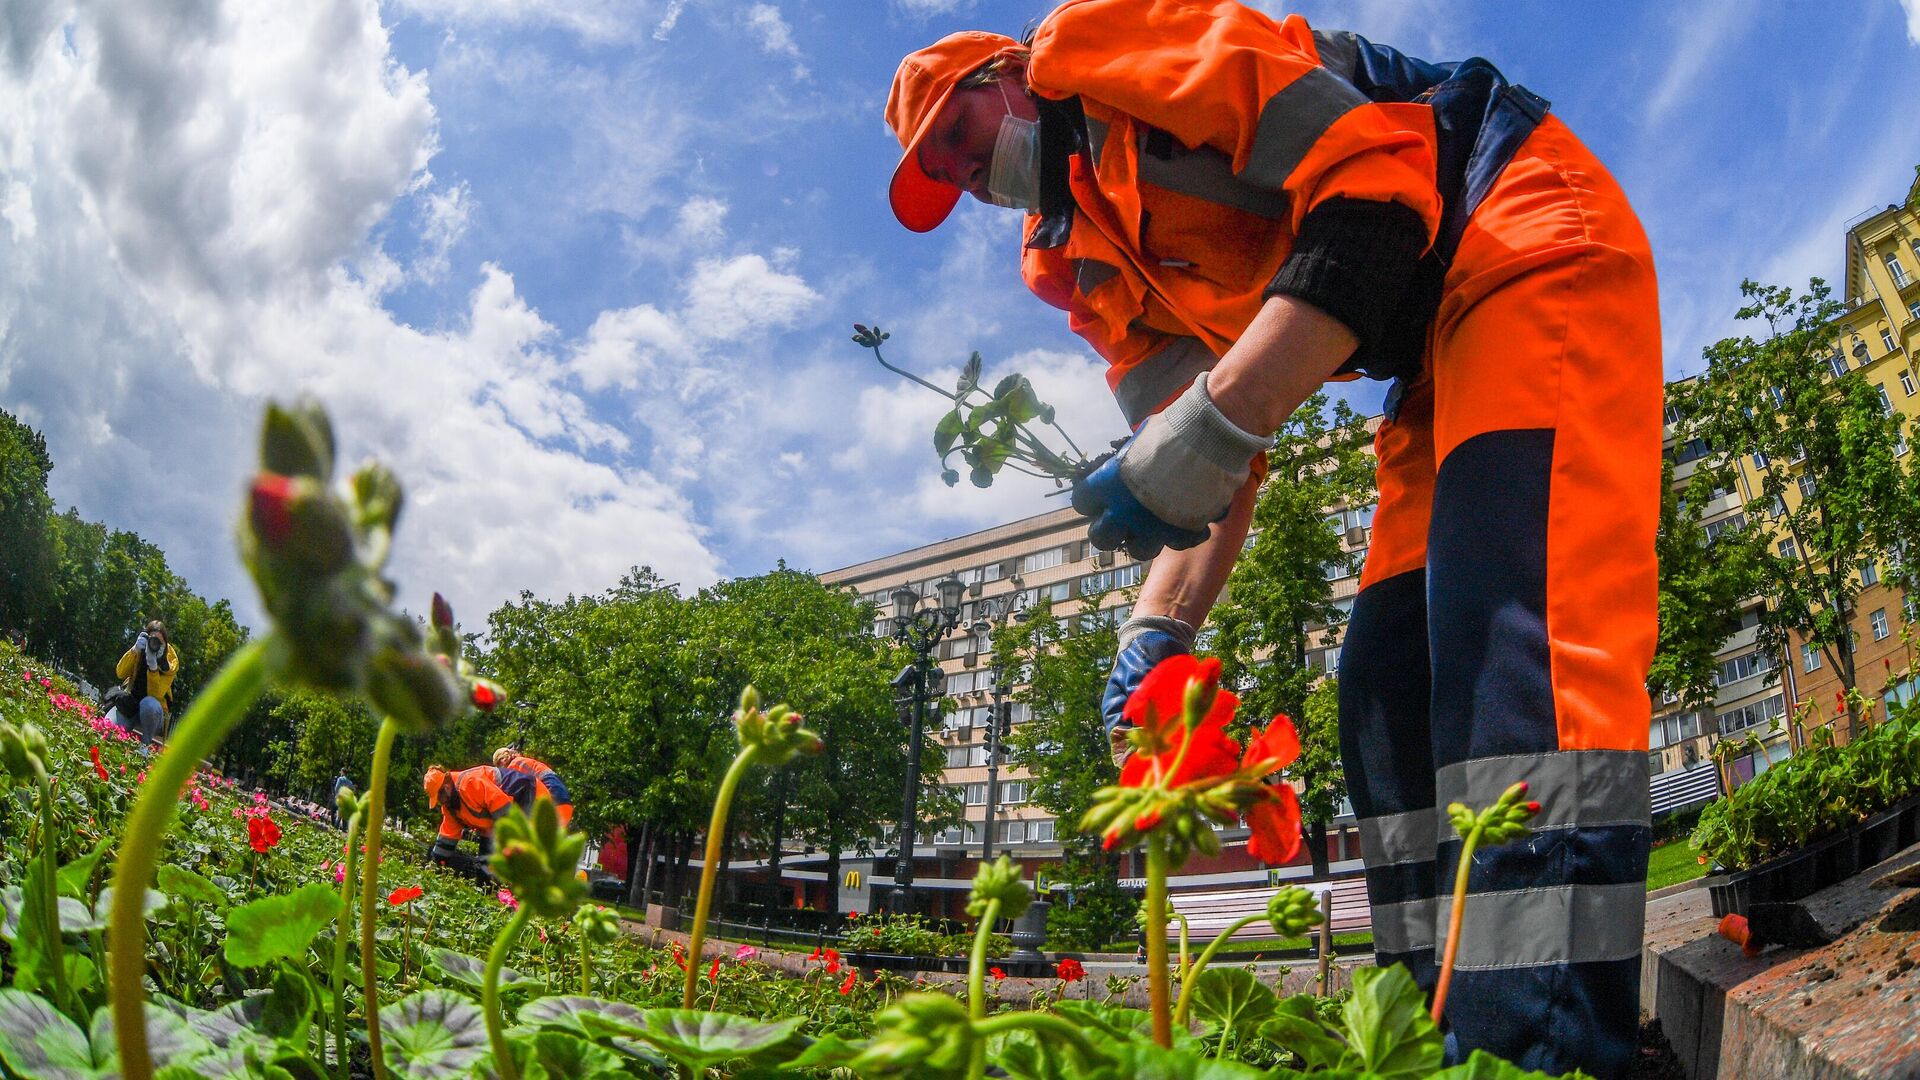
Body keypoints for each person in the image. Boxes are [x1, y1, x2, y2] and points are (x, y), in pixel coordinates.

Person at [885, 4, 1658, 1076]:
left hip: (1522, 231)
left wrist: (1212, 424)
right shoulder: (1085, 272)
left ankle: (1543, 1045)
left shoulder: (1104, 54)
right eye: (946, 172)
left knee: (1512, 646)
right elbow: (1215, 468)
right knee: (1384, 686)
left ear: (1011, 71)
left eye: (961, 130)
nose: (968, 170)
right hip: (1433, 349)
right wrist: (1155, 631)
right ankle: (1431, 1030)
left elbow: (1381, 201)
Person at [422, 763, 538, 876]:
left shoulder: (470, 783)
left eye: (438, 798)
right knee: (486, 870)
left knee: (520, 855)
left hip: (525, 794)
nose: (439, 802)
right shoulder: (450, 807)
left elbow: (504, 812)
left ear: (446, 788)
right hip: (499, 818)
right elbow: (447, 838)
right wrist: (435, 863)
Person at [114, 620, 180, 746]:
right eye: (151, 639)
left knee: (148, 704)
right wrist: (134, 650)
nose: (153, 644)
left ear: (165, 644)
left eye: (159, 642)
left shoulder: (169, 664)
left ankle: (144, 746)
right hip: (131, 706)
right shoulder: (140, 651)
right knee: (108, 728)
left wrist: (153, 667)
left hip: (153, 716)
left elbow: (155, 695)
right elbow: (120, 673)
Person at [492, 747, 574, 827]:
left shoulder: (514, 766)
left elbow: (512, 792)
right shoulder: (527, 761)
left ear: (503, 759)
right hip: (564, 802)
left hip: (553, 800)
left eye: (499, 764)